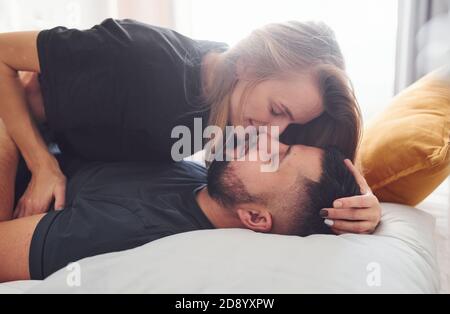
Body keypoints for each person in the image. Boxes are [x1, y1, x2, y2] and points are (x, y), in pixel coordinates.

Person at [0, 18, 381, 234]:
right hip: (15, 125)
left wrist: (364, 206)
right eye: (278, 110)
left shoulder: (246, 111)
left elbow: (302, 186)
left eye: (291, 122)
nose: (276, 133)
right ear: (248, 64)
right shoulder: (137, 55)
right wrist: (40, 163)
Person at [0, 130, 371, 282]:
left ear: (255, 218)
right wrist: (367, 209)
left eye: (278, 155)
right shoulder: (201, 179)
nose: (265, 139)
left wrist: (7, 143)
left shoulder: (131, 231)